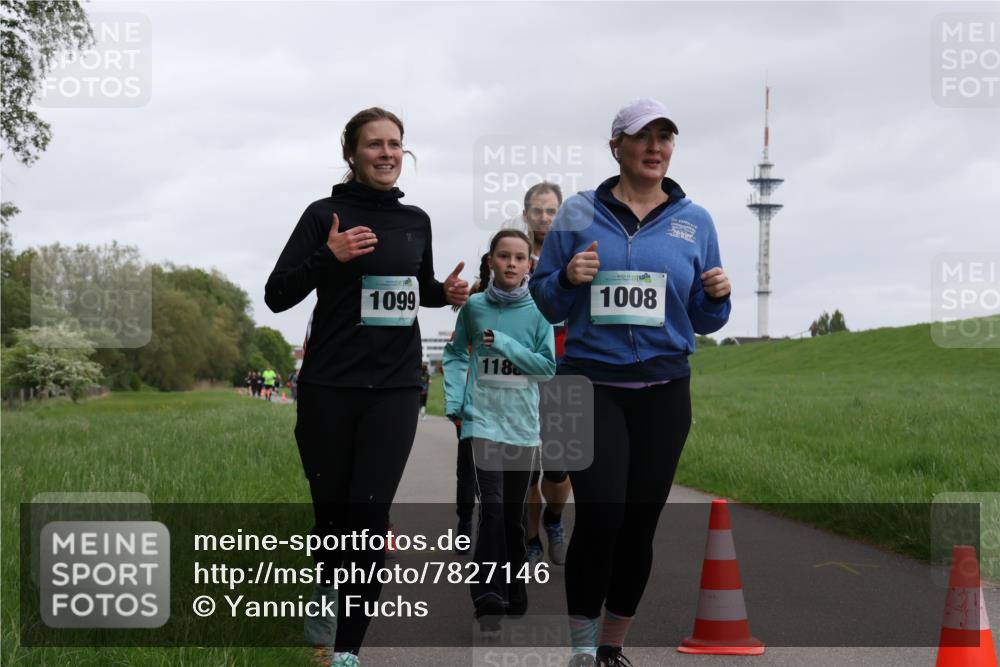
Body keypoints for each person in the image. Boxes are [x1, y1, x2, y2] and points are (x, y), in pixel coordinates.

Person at [529, 98, 732, 667]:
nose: (655, 148)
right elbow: (546, 303)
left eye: (665, 138)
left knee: (640, 523)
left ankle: (612, 648)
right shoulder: (575, 213)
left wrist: (717, 296)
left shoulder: (697, 221)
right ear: (615, 145)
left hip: (665, 387)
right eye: (643, 137)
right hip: (586, 384)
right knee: (603, 515)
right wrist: (567, 276)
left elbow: (705, 318)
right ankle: (581, 649)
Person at [265, 106, 468, 667]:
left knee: (369, 519)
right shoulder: (323, 214)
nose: (386, 153)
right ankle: (326, 585)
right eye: (374, 144)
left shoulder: (416, 220)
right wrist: (325, 257)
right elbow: (277, 293)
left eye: (395, 144)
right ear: (351, 154)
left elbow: (414, 287)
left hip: (398, 387)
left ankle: (348, 652)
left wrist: (441, 294)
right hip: (330, 384)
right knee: (332, 516)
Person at [443, 229, 556, 636]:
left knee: (512, 516)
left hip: (522, 427)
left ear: (529, 265)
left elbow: (546, 366)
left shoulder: (541, 311)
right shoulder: (473, 307)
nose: (511, 263)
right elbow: (455, 353)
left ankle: (514, 586)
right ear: (490, 261)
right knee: (490, 508)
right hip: (481, 421)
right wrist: (456, 401)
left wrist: (505, 343)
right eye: (503, 256)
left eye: (519, 257)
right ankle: (486, 595)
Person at [518, 182, 574, 568]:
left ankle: (554, 519)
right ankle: (531, 537)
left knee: (557, 465)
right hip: (522, 371)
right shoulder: (514, 254)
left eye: (552, 211)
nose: (544, 218)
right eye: (537, 211)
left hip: (564, 365)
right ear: (526, 215)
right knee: (526, 469)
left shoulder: (574, 255)